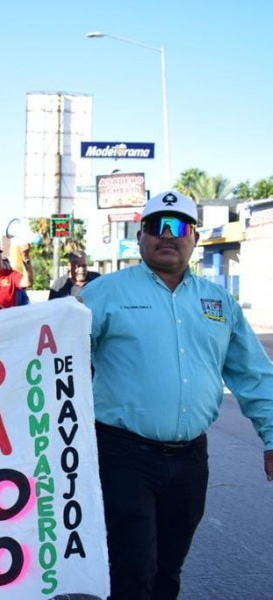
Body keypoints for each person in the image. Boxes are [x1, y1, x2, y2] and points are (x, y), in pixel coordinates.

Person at [80, 190, 273, 599]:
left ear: (195, 238)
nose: (168, 235)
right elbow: (54, 358)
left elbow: (255, 375)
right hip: (122, 456)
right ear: (140, 237)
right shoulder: (104, 294)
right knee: (134, 569)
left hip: (190, 462)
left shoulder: (219, 302)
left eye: (179, 226)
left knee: (169, 568)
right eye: (157, 226)